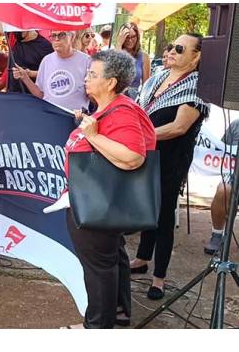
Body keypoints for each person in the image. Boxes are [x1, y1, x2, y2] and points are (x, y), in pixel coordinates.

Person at [63, 50, 156, 329]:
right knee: (111, 259)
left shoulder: (122, 110)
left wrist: (93, 136)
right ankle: (117, 316)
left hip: (98, 203)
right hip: (100, 201)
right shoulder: (111, 109)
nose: (86, 78)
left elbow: (133, 157)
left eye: (93, 74)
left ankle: (97, 328)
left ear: (111, 82)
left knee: (98, 269)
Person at [130, 33, 209, 300]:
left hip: (171, 160)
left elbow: (179, 127)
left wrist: (141, 136)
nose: (171, 51)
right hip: (147, 154)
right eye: (170, 46)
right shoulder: (157, 77)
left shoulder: (198, 85)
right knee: (146, 207)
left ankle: (159, 278)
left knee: (163, 214)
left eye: (179, 48)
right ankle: (141, 259)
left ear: (196, 56)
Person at [13, 30, 91, 111]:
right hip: (51, 116)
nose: (57, 39)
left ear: (72, 37)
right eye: (53, 36)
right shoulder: (46, 61)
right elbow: (41, 95)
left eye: (62, 35)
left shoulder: (86, 61)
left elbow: (94, 94)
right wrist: (25, 77)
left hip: (76, 119)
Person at [203, 119, 239, 255]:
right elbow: (221, 150)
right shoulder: (236, 125)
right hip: (234, 175)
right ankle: (217, 235)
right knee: (224, 189)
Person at [117, 22, 150, 99]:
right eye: (127, 37)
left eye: (133, 37)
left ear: (137, 37)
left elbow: (146, 86)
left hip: (133, 99)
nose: (130, 40)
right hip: (116, 96)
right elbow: (114, 72)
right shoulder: (115, 52)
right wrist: (119, 44)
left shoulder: (144, 56)